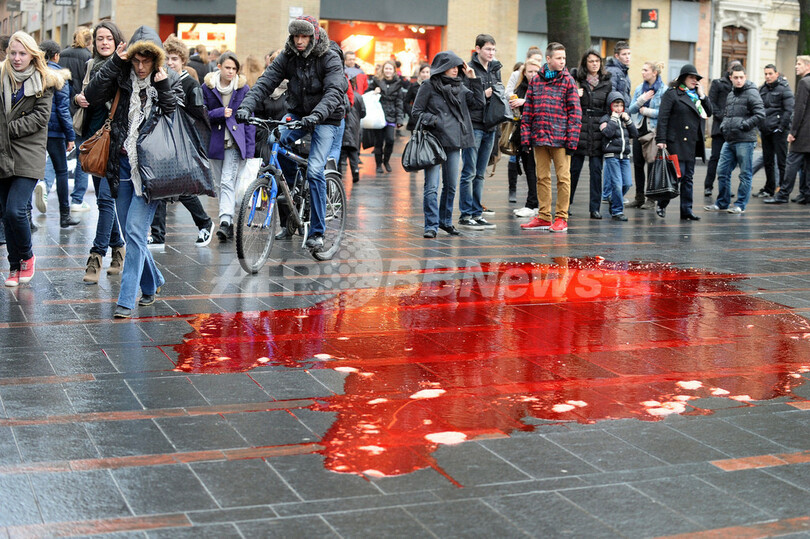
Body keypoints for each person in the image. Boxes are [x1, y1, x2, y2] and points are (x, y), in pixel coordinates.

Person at [84, 26, 182, 318]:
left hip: (152, 170)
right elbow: (91, 94)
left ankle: (126, 300)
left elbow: (174, 115)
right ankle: (153, 282)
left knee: (137, 232)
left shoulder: (169, 79)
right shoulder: (120, 75)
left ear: (156, 59)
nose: (140, 67)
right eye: (136, 61)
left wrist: (163, 87)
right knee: (131, 234)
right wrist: (116, 60)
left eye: (146, 61)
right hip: (122, 165)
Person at [237, 14, 346, 251]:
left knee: (316, 170)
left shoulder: (329, 56)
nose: (299, 40)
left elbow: (336, 90)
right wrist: (246, 106)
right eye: (295, 35)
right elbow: (266, 82)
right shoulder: (288, 56)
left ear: (313, 36)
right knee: (277, 143)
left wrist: (317, 115)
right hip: (298, 113)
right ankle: (292, 203)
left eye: (304, 36)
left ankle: (317, 233)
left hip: (327, 118)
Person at [0, 31, 66, 287]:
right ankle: (14, 265)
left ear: (32, 55)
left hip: (28, 152)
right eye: (13, 53)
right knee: (5, 213)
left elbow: (40, 119)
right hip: (3, 153)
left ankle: (27, 257)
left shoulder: (44, 81)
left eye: (22, 53)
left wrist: (6, 130)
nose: (17, 58)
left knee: (16, 210)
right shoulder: (2, 77)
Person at [147, 34, 214, 248]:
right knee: (160, 183)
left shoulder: (190, 84)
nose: (170, 62)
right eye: (167, 58)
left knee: (180, 188)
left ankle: (204, 222)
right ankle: (158, 235)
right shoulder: (159, 78)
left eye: (174, 58)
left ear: (183, 60)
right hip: (163, 141)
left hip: (183, 142)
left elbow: (198, 116)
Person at [75, 21, 127, 284]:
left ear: (117, 41)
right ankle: (119, 248)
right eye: (99, 39)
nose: (104, 43)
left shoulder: (123, 67)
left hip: (115, 141)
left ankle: (96, 256)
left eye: (109, 38)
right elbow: (82, 93)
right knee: (103, 201)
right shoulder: (89, 65)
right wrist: (78, 98)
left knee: (106, 201)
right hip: (92, 140)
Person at [411, 51, 484, 238]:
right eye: (452, 66)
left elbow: (478, 103)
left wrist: (473, 79)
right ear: (442, 67)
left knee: (451, 185)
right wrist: (435, 121)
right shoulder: (428, 85)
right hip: (433, 141)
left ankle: (445, 221)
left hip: (453, 142)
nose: (455, 70)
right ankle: (431, 225)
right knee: (432, 186)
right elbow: (416, 112)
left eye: (458, 66)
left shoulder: (461, 87)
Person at [519, 42, 581, 233]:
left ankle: (562, 217)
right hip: (539, 137)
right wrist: (525, 138)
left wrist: (572, 141)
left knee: (563, 178)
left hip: (561, 139)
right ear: (548, 59)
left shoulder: (568, 81)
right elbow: (528, 110)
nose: (562, 61)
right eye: (559, 58)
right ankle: (544, 216)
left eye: (564, 58)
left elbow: (575, 113)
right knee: (541, 177)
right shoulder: (536, 81)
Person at [201, 51, 255, 243]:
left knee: (226, 182)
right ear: (219, 67)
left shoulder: (243, 89)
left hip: (234, 142)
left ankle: (225, 222)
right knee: (219, 184)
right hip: (214, 143)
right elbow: (201, 114)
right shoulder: (207, 87)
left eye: (234, 68)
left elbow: (249, 121)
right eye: (227, 68)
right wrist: (219, 113)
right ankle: (229, 223)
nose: (231, 72)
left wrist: (249, 149)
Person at [655, 63, 713, 220]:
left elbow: (709, 112)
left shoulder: (696, 96)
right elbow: (663, 117)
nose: (694, 80)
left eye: (696, 78)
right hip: (676, 142)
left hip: (692, 143)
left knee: (688, 178)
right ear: (683, 79)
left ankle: (686, 210)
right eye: (691, 77)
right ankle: (662, 203)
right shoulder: (672, 94)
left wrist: (702, 95)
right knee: (676, 176)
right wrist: (661, 139)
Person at [704, 64, 764, 214]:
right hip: (730, 139)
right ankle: (722, 203)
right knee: (722, 171)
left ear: (745, 77)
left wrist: (744, 125)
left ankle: (740, 205)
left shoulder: (752, 93)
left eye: (741, 77)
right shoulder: (730, 94)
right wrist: (725, 126)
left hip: (745, 140)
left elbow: (760, 114)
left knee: (745, 173)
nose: (738, 80)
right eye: (735, 77)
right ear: (730, 78)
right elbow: (727, 114)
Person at [458, 34, 501, 230]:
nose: (491, 53)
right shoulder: (468, 70)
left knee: (481, 173)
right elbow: (465, 99)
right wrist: (484, 93)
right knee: (469, 172)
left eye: (493, 49)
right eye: (488, 49)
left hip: (490, 126)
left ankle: (477, 212)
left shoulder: (495, 69)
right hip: (474, 125)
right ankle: (466, 215)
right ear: (477, 49)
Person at [38, 40, 80, 229]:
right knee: (61, 171)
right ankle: (65, 215)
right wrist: (70, 135)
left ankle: (27, 216)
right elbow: (63, 110)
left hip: (36, 131)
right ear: (56, 56)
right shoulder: (59, 76)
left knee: (30, 172)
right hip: (55, 132)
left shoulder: (34, 75)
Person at [570, 50, 611, 220]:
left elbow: (609, 105)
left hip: (598, 129)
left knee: (596, 170)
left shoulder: (606, 82)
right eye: (591, 61)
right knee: (573, 170)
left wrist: (606, 122)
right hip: (580, 127)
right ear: (585, 63)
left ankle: (595, 208)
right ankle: (565, 205)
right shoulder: (577, 80)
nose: (594, 64)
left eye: (597, 61)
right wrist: (574, 94)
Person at [766, 56, 810, 205]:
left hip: (803, 132)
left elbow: (799, 109)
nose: (796, 66)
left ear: (808, 66)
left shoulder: (804, 82)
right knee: (808, 165)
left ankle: (783, 195)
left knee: (791, 162)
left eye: (799, 64)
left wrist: (793, 132)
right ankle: (806, 194)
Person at [59, 27, 93, 213]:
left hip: (62, 108)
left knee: (56, 152)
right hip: (82, 112)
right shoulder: (88, 57)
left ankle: (46, 189)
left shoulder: (62, 55)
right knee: (82, 154)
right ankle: (77, 199)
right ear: (90, 41)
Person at [626, 61, 666, 210]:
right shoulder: (639, 89)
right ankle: (639, 197)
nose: (643, 72)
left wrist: (648, 111)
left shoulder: (663, 90)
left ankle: (651, 199)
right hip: (638, 131)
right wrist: (641, 100)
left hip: (652, 133)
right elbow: (631, 110)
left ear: (654, 72)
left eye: (646, 70)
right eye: (642, 70)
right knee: (637, 165)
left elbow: (664, 113)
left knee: (651, 166)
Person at [507, 59, 541, 219]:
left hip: (538, 132)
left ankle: (533, 203)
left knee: (535, 169)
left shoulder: (542, 86)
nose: (533, 74)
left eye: (535, 71)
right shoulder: (520, 87)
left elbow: (543, 105)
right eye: (530, 71)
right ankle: (532, 203)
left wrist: (525, 102)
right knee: (528, 167)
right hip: (523, 130)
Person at [753, 64, 793, 198]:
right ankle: (769, 188)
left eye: (770, 73)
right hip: (766, 130)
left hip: (779, 131)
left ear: (776, 74)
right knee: (768, 161)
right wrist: (760, 125)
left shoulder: (784, 88)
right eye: (766, 74)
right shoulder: (762, 89)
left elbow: (789, 110)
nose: (768, 76)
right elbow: (758, 108)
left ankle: (782, 189)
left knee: (781, 162)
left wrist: (781, 127)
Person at [704, 61, 741, 197]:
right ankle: (708, 186)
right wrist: (722, 116)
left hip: (734, 130)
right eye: (732, 68)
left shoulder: (740, 86)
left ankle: (725, 188)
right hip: (719, 128)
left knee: (729, 160)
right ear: (728, 70)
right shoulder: (718, 83)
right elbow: (711, 103)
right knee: (715, 158)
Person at [599, 91, 638, 221]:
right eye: (615, 106)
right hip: (612, 156)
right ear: (610, 106)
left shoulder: (624, 118)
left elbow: (634, 134)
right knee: (616, 184)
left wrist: (628, 120)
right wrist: (614, 119)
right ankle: (617, 211)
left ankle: (612, 199)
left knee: (626, 184)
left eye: (621, 106)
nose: (618, 109)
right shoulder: (605, 119)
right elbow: (608, 133)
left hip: (625, 156)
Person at [368, 60, 404, 174]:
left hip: (391, 116)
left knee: (390, 140)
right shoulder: (376, 81)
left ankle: (386, 160)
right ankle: (378, 165)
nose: (388, 71)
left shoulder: (398, 84)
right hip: (378, 115)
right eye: (386, 68)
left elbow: (399, 102)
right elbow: (367, 94)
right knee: (378, 142)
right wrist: (374, 92)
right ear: (383, 70)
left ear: (394, 71)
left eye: (390, 69)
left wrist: (399, 119)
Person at [340, 76, 366, 183]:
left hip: (342, 129)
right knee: (353, 153)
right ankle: (355, 171)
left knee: (341, 155)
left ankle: (339, 174)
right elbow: (363, 112)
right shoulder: (358, 97)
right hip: (355, 130)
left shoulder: (340, 96)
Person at [404, 62, 430, 131]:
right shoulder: (413, 86)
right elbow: (406, 102)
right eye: (423, 72)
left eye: (427, 72)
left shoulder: (434, 86)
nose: (425, 74)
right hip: (416, 121)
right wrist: (412, 113)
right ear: (419, 73)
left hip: (430, 120)